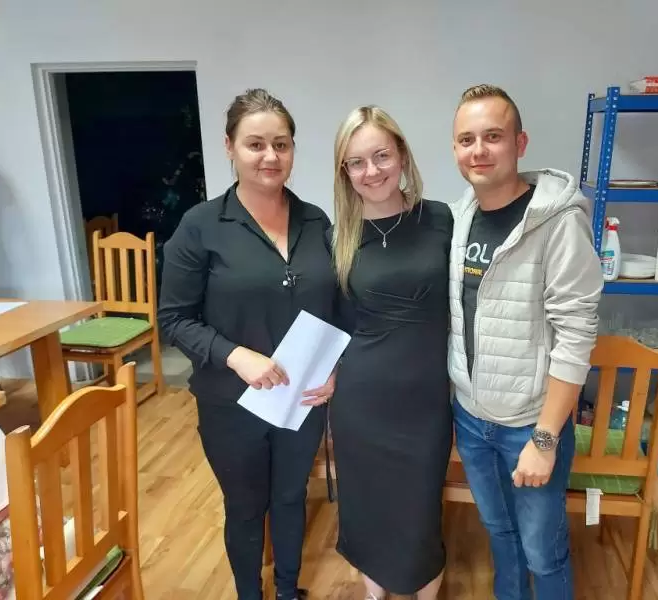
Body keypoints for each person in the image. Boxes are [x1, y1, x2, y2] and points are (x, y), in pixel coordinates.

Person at [158, 88, 338, 600]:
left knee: (290, 497)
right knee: (244, 506)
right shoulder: (200, 226)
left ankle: (287, 591)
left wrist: (335, 368)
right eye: (255, 144)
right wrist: (236, 356)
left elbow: (335, 303)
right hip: (231, 401)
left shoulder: (316, 221)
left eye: (281, 144)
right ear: (229, 147)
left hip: (302, 396)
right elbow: (173, 319)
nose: (270, 156)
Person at [448, 84, 603, 600]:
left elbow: (576, 336)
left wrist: (545, 438)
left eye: (493, 136)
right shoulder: (460, 216)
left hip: (529, 425)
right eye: (466, 139)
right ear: (455, 149)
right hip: (472, 418)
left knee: (543, 553)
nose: (479, 150)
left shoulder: (558, 221)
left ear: (520, 143)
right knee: (500, 534)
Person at [327, 106, 453, 600]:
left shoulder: (441, 219)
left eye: (381, 155)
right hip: (362, 401)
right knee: (368, 507)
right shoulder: (338, 237)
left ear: (401, 154)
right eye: (356, 162)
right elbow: (337, 321)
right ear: (345, 171)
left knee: (421, 511)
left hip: (425, 400)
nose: (371, 171)